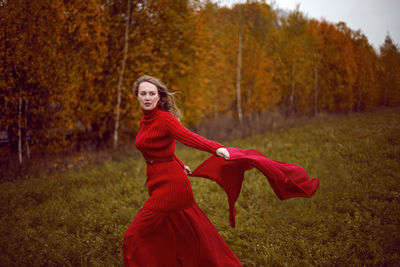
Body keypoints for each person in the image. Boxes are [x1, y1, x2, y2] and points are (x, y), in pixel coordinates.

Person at [123, 75, 242, 266]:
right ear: (136, 96)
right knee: (182, 233)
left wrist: (216, 148)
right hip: (157, 180)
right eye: (143, 93)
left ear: (158, 96)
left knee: (134, 234)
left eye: (151, 93)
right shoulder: (144, 121)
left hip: (172, 186)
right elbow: (161, 147)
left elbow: (188, 137)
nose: (147, 97)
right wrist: (179, 161)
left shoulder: (166, 119)